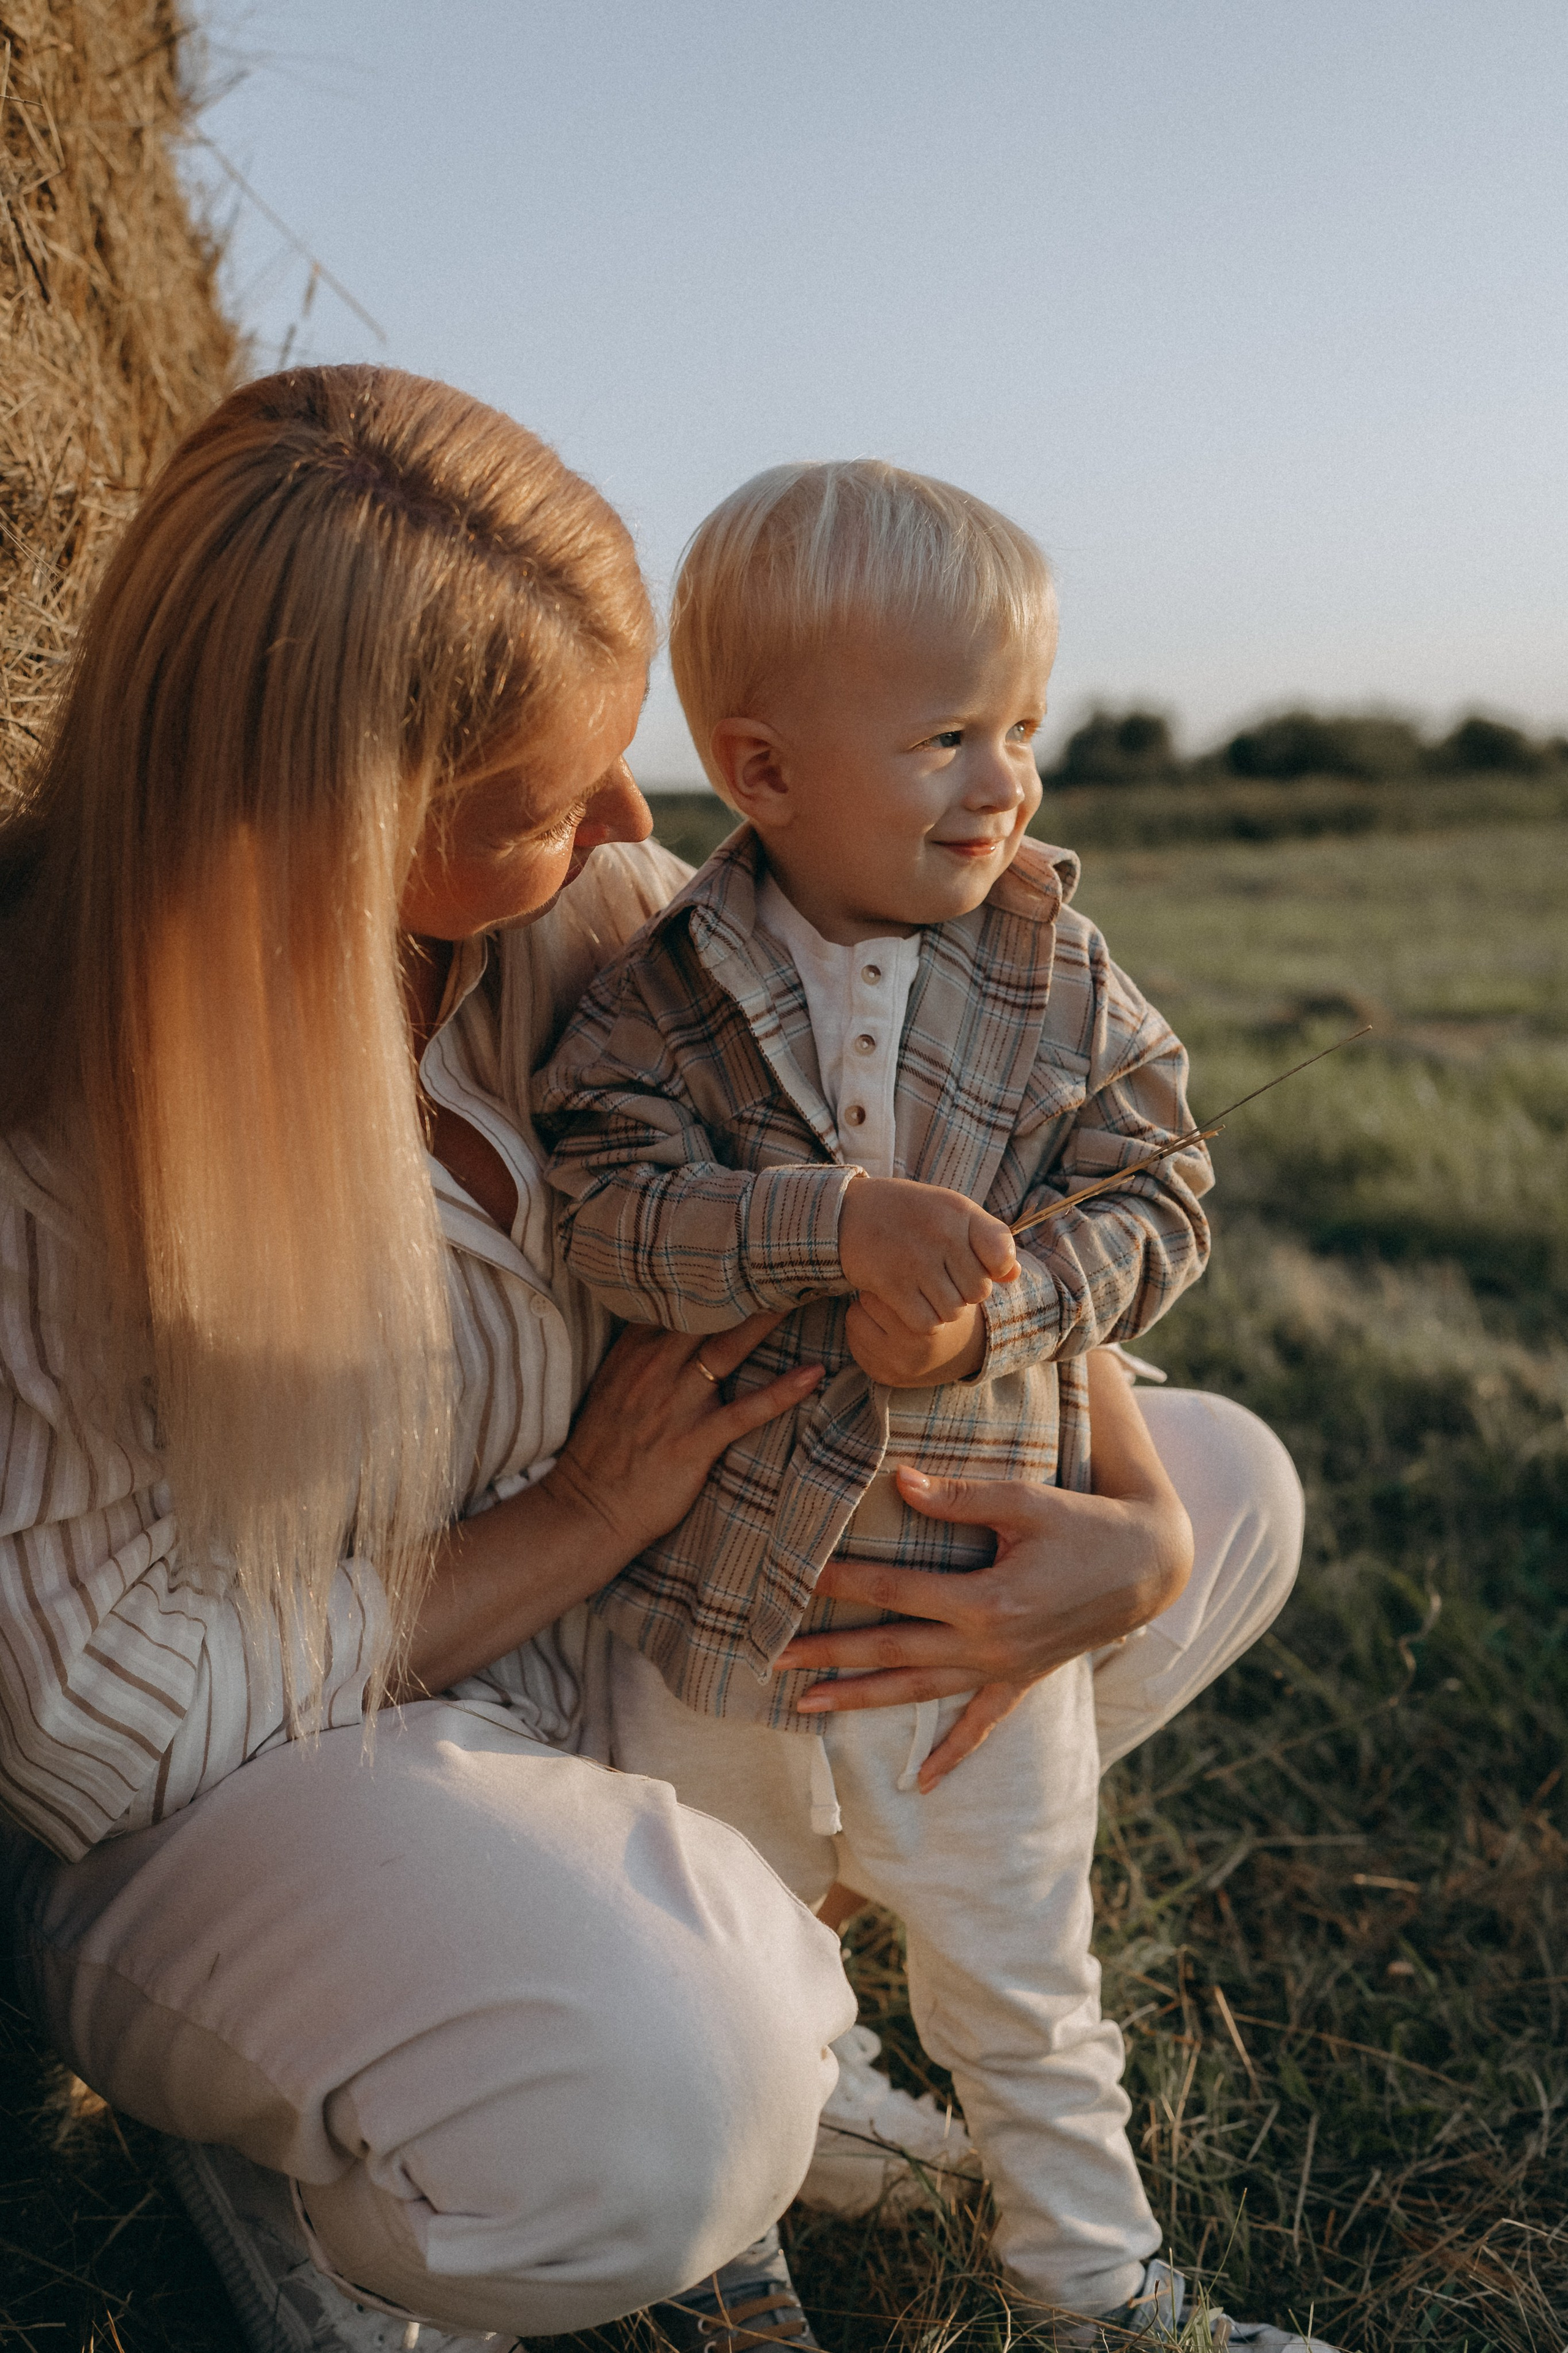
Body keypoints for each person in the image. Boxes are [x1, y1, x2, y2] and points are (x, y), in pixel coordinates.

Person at [0, 369, 1309, 2353]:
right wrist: (576, 1516)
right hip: (269, 1785)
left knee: (1229, 1487)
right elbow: (86, 1719)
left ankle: (746, 1971)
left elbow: (927, 1191)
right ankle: (352, 2175)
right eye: (554, 793)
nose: (636, 825)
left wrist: (1116, 1520)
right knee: (675, 2099)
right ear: (343, 831)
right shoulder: (59, 1140)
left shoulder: (586, 931)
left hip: (624, 1661)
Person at [535, 461, 1333, 2350]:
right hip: (714, 1627)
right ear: (767, 768)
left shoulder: (1064, 978)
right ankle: (725, 2267)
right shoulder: (659, 996)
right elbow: (604, 1212)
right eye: (952, 735)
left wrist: (1001, 1316)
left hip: (964, 1612)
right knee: (719, 1952)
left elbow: (1165, 1195)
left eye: (1027, 730)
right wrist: (828, 1227)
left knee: (1030, 1980)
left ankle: (1097, 2285)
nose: (1008, 782)